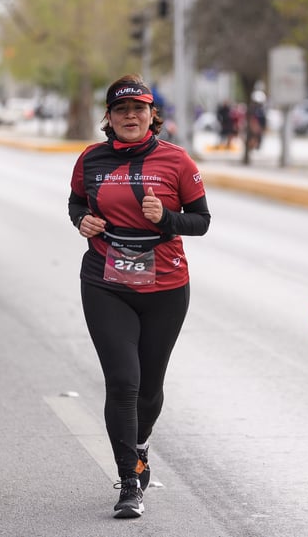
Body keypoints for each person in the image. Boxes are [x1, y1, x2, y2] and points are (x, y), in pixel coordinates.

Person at [67, 74, 211, 519]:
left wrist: (166, 217)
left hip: (166, 288)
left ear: (153, 115)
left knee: (149, 389)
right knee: (123, 382)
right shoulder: (91, 159)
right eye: (121, 110)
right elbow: (76, 203)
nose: (130, 116)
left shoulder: (177, 161)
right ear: (108, 118)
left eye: (139, 109)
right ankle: (129, 481)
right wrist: (82, 222)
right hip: (106, 283)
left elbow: (201, 221)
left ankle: (140, 442)